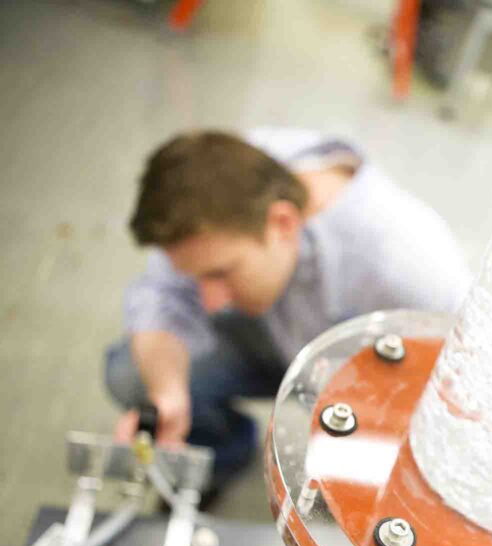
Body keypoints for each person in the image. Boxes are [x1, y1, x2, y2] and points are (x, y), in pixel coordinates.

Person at [106, 128, 471, 487]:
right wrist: (169, 393)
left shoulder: (406, 266)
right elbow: (163, 295)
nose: (210, 302)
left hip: (357, 375)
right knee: (131, 373)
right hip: (271, 335)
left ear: (282, 223)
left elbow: (465, 382)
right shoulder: (224, 184)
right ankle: (227, 456)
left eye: (221, 273)